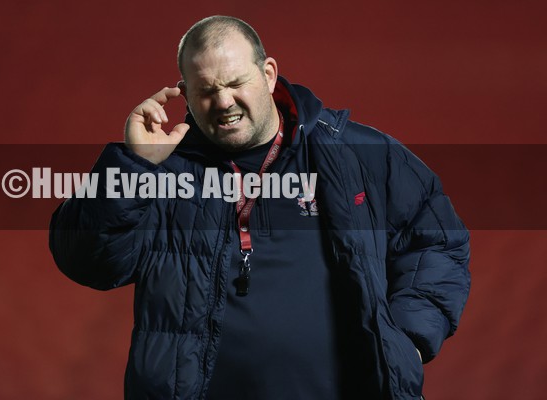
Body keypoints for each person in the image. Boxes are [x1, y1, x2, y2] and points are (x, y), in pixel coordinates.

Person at [49, 15, 471, 400]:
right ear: (187, 95)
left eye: (235, 83)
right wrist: (135, 165)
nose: (224, 102)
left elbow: (438, 241)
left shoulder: (359, 154)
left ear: (268, 74)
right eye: (207, 91)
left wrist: (410, 340)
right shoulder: (160, 173)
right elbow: (89, 263)